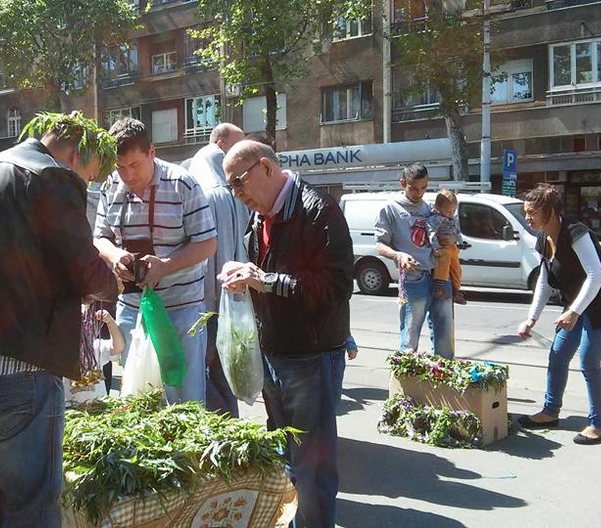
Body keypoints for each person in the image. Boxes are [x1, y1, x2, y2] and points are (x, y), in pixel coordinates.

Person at [0, 112, 119, 526]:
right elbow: (80, 267)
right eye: (90, 175)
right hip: (13, 364)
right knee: (31, 505)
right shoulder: (52, 176)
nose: (87, 183)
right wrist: (115, 281)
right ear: (76, 152)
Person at [220, 140, 353, 527]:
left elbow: (334, 289)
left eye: (239, 182)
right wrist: (243, 278)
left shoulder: (318, 210)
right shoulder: (260, 215)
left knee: (313, 467)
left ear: (265, 167)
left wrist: (265, 281)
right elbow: (264, 277)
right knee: (287, 459)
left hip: (311, 357)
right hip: (274, 354)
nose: (236, 193)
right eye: (230, 186)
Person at [94, 117, 217, 404]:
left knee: (184, 399)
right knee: (139, 399)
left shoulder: (182, 184)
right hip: (131, 307)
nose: (127, 175)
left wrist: (166, 265)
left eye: (134, 165)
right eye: (120, 167)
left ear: (152, 152)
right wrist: (116, 256)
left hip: (180, 309)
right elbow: (99, 237)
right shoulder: (110, 185)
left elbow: (208, 243)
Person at [517, 183, 601, 445]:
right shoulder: (543, 238)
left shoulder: (576, 233)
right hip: (576, 305)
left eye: (532, 213)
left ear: (550, 211)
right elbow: (544, 280)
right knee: (557, 355)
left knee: (589, 363)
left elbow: (596, 275)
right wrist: (531, 318)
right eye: (526, 212)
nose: (527, 218)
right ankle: (550, 412)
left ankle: (598, 425)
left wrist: (574, 312)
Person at [187, 123, 249, 417]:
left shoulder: (206, 193)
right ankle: (231, 424)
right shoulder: (231, 195)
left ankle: (221, 424)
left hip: (206, 303)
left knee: (203, 369)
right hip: (230, 298)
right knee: (225, 369)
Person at [375, 163, 455, 358]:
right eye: (413, 188)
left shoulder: (430, 207)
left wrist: (451, 238)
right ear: (402, 183)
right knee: (410, 336)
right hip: (414, 277)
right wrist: (398, 255)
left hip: (439, 274)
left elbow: (446, 229)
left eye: (424, 187)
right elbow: (380, 244)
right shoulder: (390, 208)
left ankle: (443, 372)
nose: (419, 193)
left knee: (445, 333)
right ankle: (407, 373)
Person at [64, 305, 125, 403]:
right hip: (70, 407)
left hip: (98, 406)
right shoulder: (62, 351)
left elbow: (118, 347)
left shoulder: (96, 346)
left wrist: (110, 322)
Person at [429, 189, 467, 305]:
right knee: (443, 266)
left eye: (453, 211)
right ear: (438, 207)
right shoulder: (436, 219)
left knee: (457, 269)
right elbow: (431, 233)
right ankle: (439, 287)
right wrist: (435, 247)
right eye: (447, 211)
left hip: (453, 247)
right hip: (443, 248)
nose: (451, 214)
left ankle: (456, 290)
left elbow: (457, 232)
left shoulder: (454, 219)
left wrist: (460, 242)